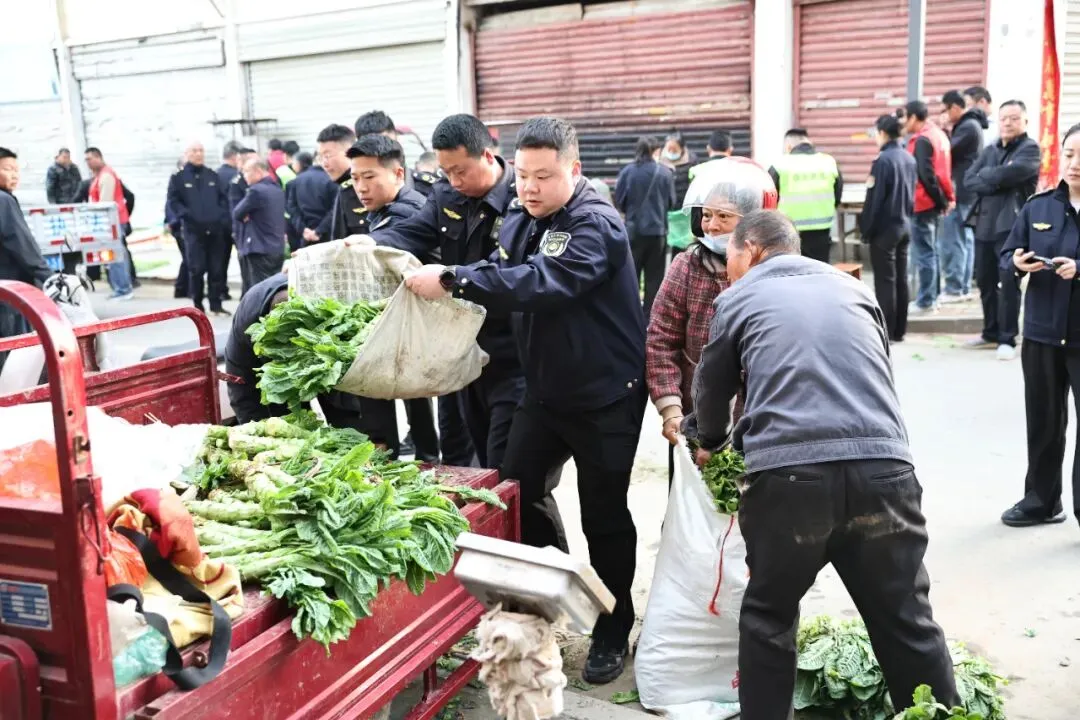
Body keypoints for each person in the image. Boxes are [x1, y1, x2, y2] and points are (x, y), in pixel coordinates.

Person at [405, 117, 647, 684]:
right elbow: (504, 270)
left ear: (574, 170)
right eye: (523, 175)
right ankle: (551, 594)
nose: (530, 188)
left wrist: (456, 279)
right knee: (516, 491)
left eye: (546, 176)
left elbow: (544, 282)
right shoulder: (520, 215)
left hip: (605, 396)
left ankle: (615, 626)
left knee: (605, 515)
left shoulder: (595, 224)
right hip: (544, 394)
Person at [689, 208, 958, 719]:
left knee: (769, 616)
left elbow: (712, 387)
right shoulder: (856, 291)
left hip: (792, 482)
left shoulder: (738, 297)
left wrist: (711, 439)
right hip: (886, 471)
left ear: (751, 250)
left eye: (729, 258)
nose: (726, 270)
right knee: (905, 616)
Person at [367, 114, 523, 471]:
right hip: (458, 348)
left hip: (511, 354)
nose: (454, 180)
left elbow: (510, 270)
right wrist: (368, 243)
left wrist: (451, 277)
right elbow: (410, 233)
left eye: (461, 171)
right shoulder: (445, 194)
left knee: (507, 468)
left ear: (487, 156)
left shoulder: (522, 198)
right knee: (461, 453)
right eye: (446, 172)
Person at [647, 157, 775, 481]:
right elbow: (661, 338)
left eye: (723, 216)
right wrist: (671, 410)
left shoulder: (774, 274)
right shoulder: (686, 266)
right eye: (706, 215)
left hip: (760, 429)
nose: (711, 225)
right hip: (695, 424)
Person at [999, 122, 1080, 529]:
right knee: (1044, 424)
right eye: (1069, 154)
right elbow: (1008, 251)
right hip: (1043, 334)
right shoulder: (1039, 206)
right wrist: (1015, 262)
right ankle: (1042, 501)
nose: (1075, 163)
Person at [345, 133, 439, 462]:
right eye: (355, 178)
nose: (360, 186)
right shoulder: (382, 209)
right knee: (413, 398)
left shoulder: (408, 212)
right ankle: (425, 458)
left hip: (410, 325)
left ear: (398, 174)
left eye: (369, 177)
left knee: (394, 396)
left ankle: (417, 461)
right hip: (400, 325)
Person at [224, 273, 391, 447]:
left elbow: (359, 379)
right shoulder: (248, 319)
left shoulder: (328, 309)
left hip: (326, 358)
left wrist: (372, 435)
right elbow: (240, 385)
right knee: (282, 427)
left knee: (350, 431)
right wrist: (256, 438)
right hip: (274, 375)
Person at [964, 100, 1040, 361]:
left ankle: (1008, 337)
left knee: (1009, 282)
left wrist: (991, 177)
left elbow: (1014, 174)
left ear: (1025, 121)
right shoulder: (991, 149)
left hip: (1011, 227)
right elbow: (969, 179)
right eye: (1004, 118)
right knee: (985, 281)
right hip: (984, 225)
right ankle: (990, 332)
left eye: (1014, 118)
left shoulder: (1030, 149)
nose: (1007, 123)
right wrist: (996, 177)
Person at [860, 114, 918, 342]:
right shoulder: (908, 157)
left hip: (885, 229)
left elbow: (874, 203)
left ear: (883, 133)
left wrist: (866, 230)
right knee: (900, 278)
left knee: (885, 280)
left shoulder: (883, 161)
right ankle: (899, 330)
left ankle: (886, 331)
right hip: (905, 224)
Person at [0, 147, 52, 370]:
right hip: (9, 296)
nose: (14, 175)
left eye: (16, 170)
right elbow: (24, 248)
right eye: (7, 169)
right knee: (12, 361)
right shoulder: (3, 202)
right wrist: (49, 278)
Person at [614, 136, 676, 319]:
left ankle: (630, 316)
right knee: (654, 279)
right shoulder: (665, 173)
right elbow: (672, 203)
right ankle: (649, 318)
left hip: (633, 232)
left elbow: (620, 201)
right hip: (657, 233)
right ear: (655, 151)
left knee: (630, 276)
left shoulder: (627, 172)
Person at [903, 100, 955, 315]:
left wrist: (940, 200)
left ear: (914, 117)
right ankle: (932, 297)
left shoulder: (923, 139)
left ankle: (925, 301)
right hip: (934, 201)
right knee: (931, 252)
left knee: (924, 253)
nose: (902, 122)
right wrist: (944, 199)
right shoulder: (938, 134)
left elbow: (926, 174)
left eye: (904, 117)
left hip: (924, 202)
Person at [167, 142, 230, 314]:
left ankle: (216, 304)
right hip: (193, 231)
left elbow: (223, 200)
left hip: (215, 230)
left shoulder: (212, 176)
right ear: (187, 153)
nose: (198, 154)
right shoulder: (179, 178)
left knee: (216, 269)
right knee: (197, 269)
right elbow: (173, 201)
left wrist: (220, 217)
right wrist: (186, 215)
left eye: (201, 150)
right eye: (194, 150)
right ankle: (198, 304)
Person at [939, 90, 989, 302]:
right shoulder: (971, 125)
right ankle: (963, 286)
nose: (944, 114)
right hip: (968, 190)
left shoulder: (968, 126)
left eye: (945, 109)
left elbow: (946, 151)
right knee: (965, 239)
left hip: (961, 191)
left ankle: (955, 288)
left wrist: (942, 130)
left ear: (955, 107)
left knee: (955, 239)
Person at [768, 128, 843, 263]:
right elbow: (837, 195)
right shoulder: (829, 162)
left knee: (791, 271)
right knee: (819, 271)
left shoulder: (780, 164)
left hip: (788, 231)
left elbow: (769, 198)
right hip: (821, 230)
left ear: (788, 146)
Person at [85, 147, 135, 300]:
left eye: (89, 159)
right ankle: (123, 287)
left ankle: (122, 289)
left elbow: (104, 203)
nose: (87, 163)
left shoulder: (106, 175)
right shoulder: (101, 175)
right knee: (119, 255)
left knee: (115, 256)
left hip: (113, 222)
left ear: (98, 157)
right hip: (115, 221)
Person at [233, 156, 286, 293]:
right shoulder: (277, 189)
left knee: (258, 291)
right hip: (276, 247)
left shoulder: (256, 191)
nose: (244, 176)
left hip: (259, 248)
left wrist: (248, 215)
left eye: (246, 171)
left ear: (257, 171)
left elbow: (237, 213)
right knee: (273, 289)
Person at [287, 149, 338, 248]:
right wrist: (318, 231)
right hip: (329, 235)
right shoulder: (331, 179)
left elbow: (292, 208)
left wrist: (303, 229)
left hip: (306, 237)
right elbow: (335, 209)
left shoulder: (296, 181)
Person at [218, 141, 248, 303]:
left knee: (221, 259)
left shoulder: (216, 174)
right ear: (235, 157)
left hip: (220, 223)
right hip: (238, 223)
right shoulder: (236, 177)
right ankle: (246, 291)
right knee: (244, 259)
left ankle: (222, 290)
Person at [660, 130, 696, 208]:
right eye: (669, 149)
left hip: (685, 205)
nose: (671, 152)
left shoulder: (691, 161)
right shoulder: (659, 161)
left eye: (675, 150)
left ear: (682, 148)